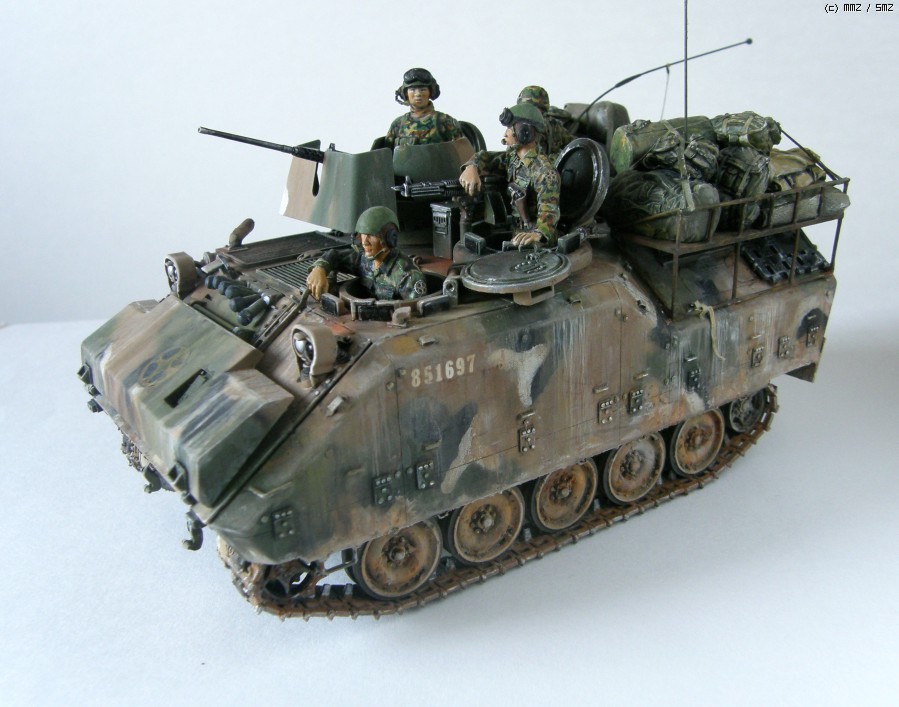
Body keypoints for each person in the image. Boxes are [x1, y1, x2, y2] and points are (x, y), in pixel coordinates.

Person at [459, 103, 561, 248]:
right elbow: (487, 158)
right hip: (517, 233)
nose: (505, 134)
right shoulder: (512, 158)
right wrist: (472, 166)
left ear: (524, 132)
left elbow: (549, 210)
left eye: (509, 128)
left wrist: (538, 233)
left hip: (538, 241)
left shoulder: (544, 172)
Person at [305, 206, 427, 301]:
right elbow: (334, 256)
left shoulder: (407, 275)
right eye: (363, 235)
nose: (364, 242)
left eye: (371, 235)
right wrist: (319, 269)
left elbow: (417, 312)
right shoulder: (364, 261)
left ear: (390, 238)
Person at [383, 68, 465, 149]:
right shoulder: (398, 124)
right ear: (405, 93)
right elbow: (386, 153)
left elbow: (464, 151)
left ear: (430, 92)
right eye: (412, 89)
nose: (418, 94)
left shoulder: (444, 121)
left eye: (423, 89)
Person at [517, 85, 575, 156]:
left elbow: (574, 143)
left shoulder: (553, 126)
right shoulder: (516, 129)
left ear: (543, 110)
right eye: (526, 109)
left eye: (535, 110)